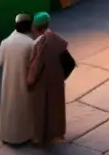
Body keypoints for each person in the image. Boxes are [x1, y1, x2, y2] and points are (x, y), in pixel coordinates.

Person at [26, 12, 69, 145]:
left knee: (41, 109)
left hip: (43, 82)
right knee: (56, 107)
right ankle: (57, 132)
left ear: (36, 27)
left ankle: (40, 137)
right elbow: (67, 61)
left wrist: (30, 81)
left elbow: (36, 66)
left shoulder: (40, 43)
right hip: (57, 80)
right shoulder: (56, 38)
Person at [0, 13, 34, 146]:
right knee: (23, 107)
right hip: (23, 81)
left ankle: (8, 135)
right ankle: (23, 136)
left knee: (9, 107)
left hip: (8, 81)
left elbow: (1, 62)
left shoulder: (5, 42)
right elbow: (34, 65)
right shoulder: (30, 43)